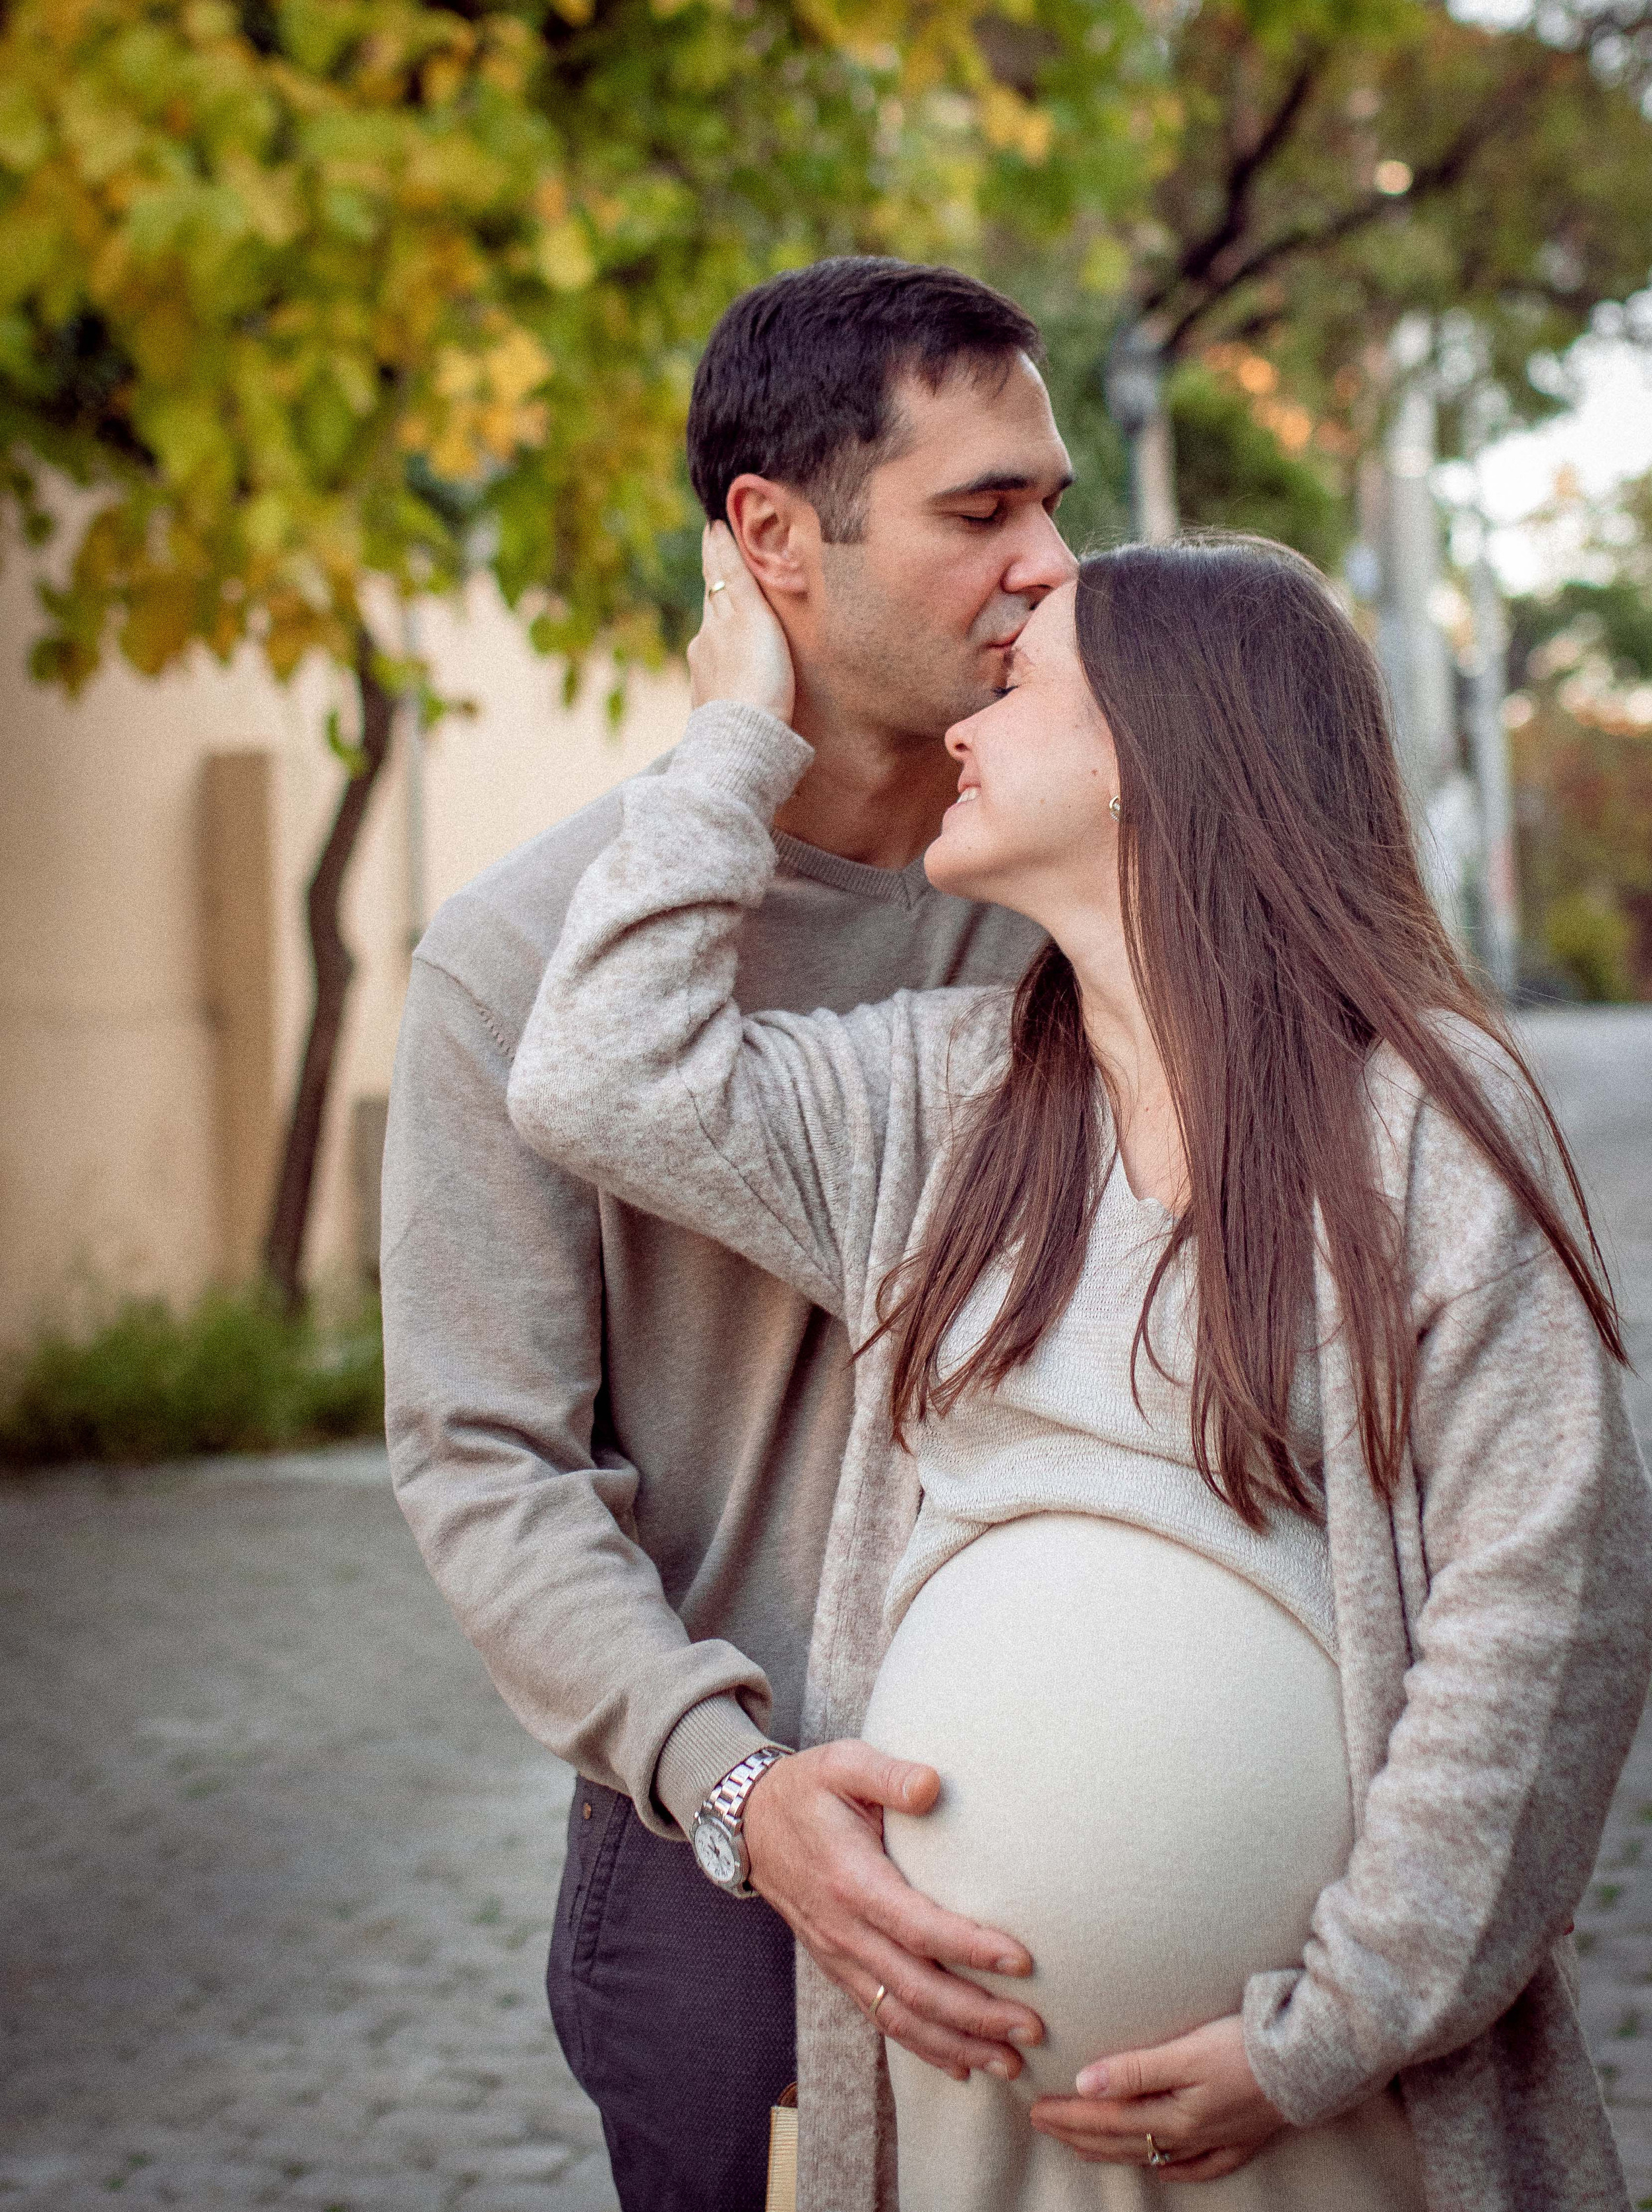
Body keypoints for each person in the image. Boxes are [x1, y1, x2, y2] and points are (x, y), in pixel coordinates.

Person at [506, 522, 1652, 2212]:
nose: (963, 726)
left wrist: (1329, 2028)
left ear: (1159, 749)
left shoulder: (1426, 1128)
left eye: (1019, 685)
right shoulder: (935, 1104)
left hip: (1338, 2117)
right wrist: (735, 725)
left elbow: (1546, 1608)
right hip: (958, 2118)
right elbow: (596, 1078)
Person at [381, 256, 1076, 2212]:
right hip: (732, 1866)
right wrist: (735, 1786)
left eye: (1053, 501)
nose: (1045, 563)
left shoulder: (1071, 884)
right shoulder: (519, 957)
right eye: (980, 509)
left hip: (1090, 1800)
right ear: (772, 539)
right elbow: (488, 1461)